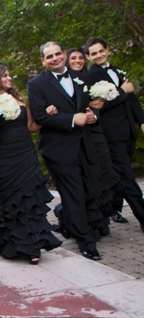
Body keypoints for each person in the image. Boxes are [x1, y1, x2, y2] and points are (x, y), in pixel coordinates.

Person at [27, 41, 102, 260]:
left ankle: (63, 214)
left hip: (85, 144)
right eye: (49, 56)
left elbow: (93, 105)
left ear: (64, 55)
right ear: (43, 60)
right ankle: (86, 242)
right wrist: (71, 119)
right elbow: (40, 116)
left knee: (93, 188)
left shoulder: (81, 78)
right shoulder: (37, 84)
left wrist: (92, 116)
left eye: (58, 54)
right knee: (74, 195)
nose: (55, 58)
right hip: (58, 148)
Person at [0, 65, 61, 264]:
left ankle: (33, 245)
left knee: (29, 196)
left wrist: (48, 115)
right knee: (9, 199)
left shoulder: (20, 98)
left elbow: (31, 126)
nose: (9, 78)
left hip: (25, 153)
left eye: (9, 75)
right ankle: (10, 242)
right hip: (3, 156)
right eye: (5, 76)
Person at [85, 38, 144, 229]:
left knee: (119, 174)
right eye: (94, 53)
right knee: (127, 176)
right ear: (88, 57)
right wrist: (122, 92)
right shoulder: (90, 76)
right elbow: (99, 107)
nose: (98, 55)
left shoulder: (118, 70)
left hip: (128, 131)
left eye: (101, 51)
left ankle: (112, 209)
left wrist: (142, 122)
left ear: (107, 50)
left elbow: (132, 99)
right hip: (111, 134)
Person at [64, 49, 122, 236]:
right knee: (85, 181)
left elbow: (97, 107)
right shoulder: (61, 83)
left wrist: (93, 115)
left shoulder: (89, 79)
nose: (78, 60)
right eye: (74, 58)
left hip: (95, 133)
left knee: (104, 176)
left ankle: (101, 219)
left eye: (81, 57)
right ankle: (75, 220)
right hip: (74, 136)